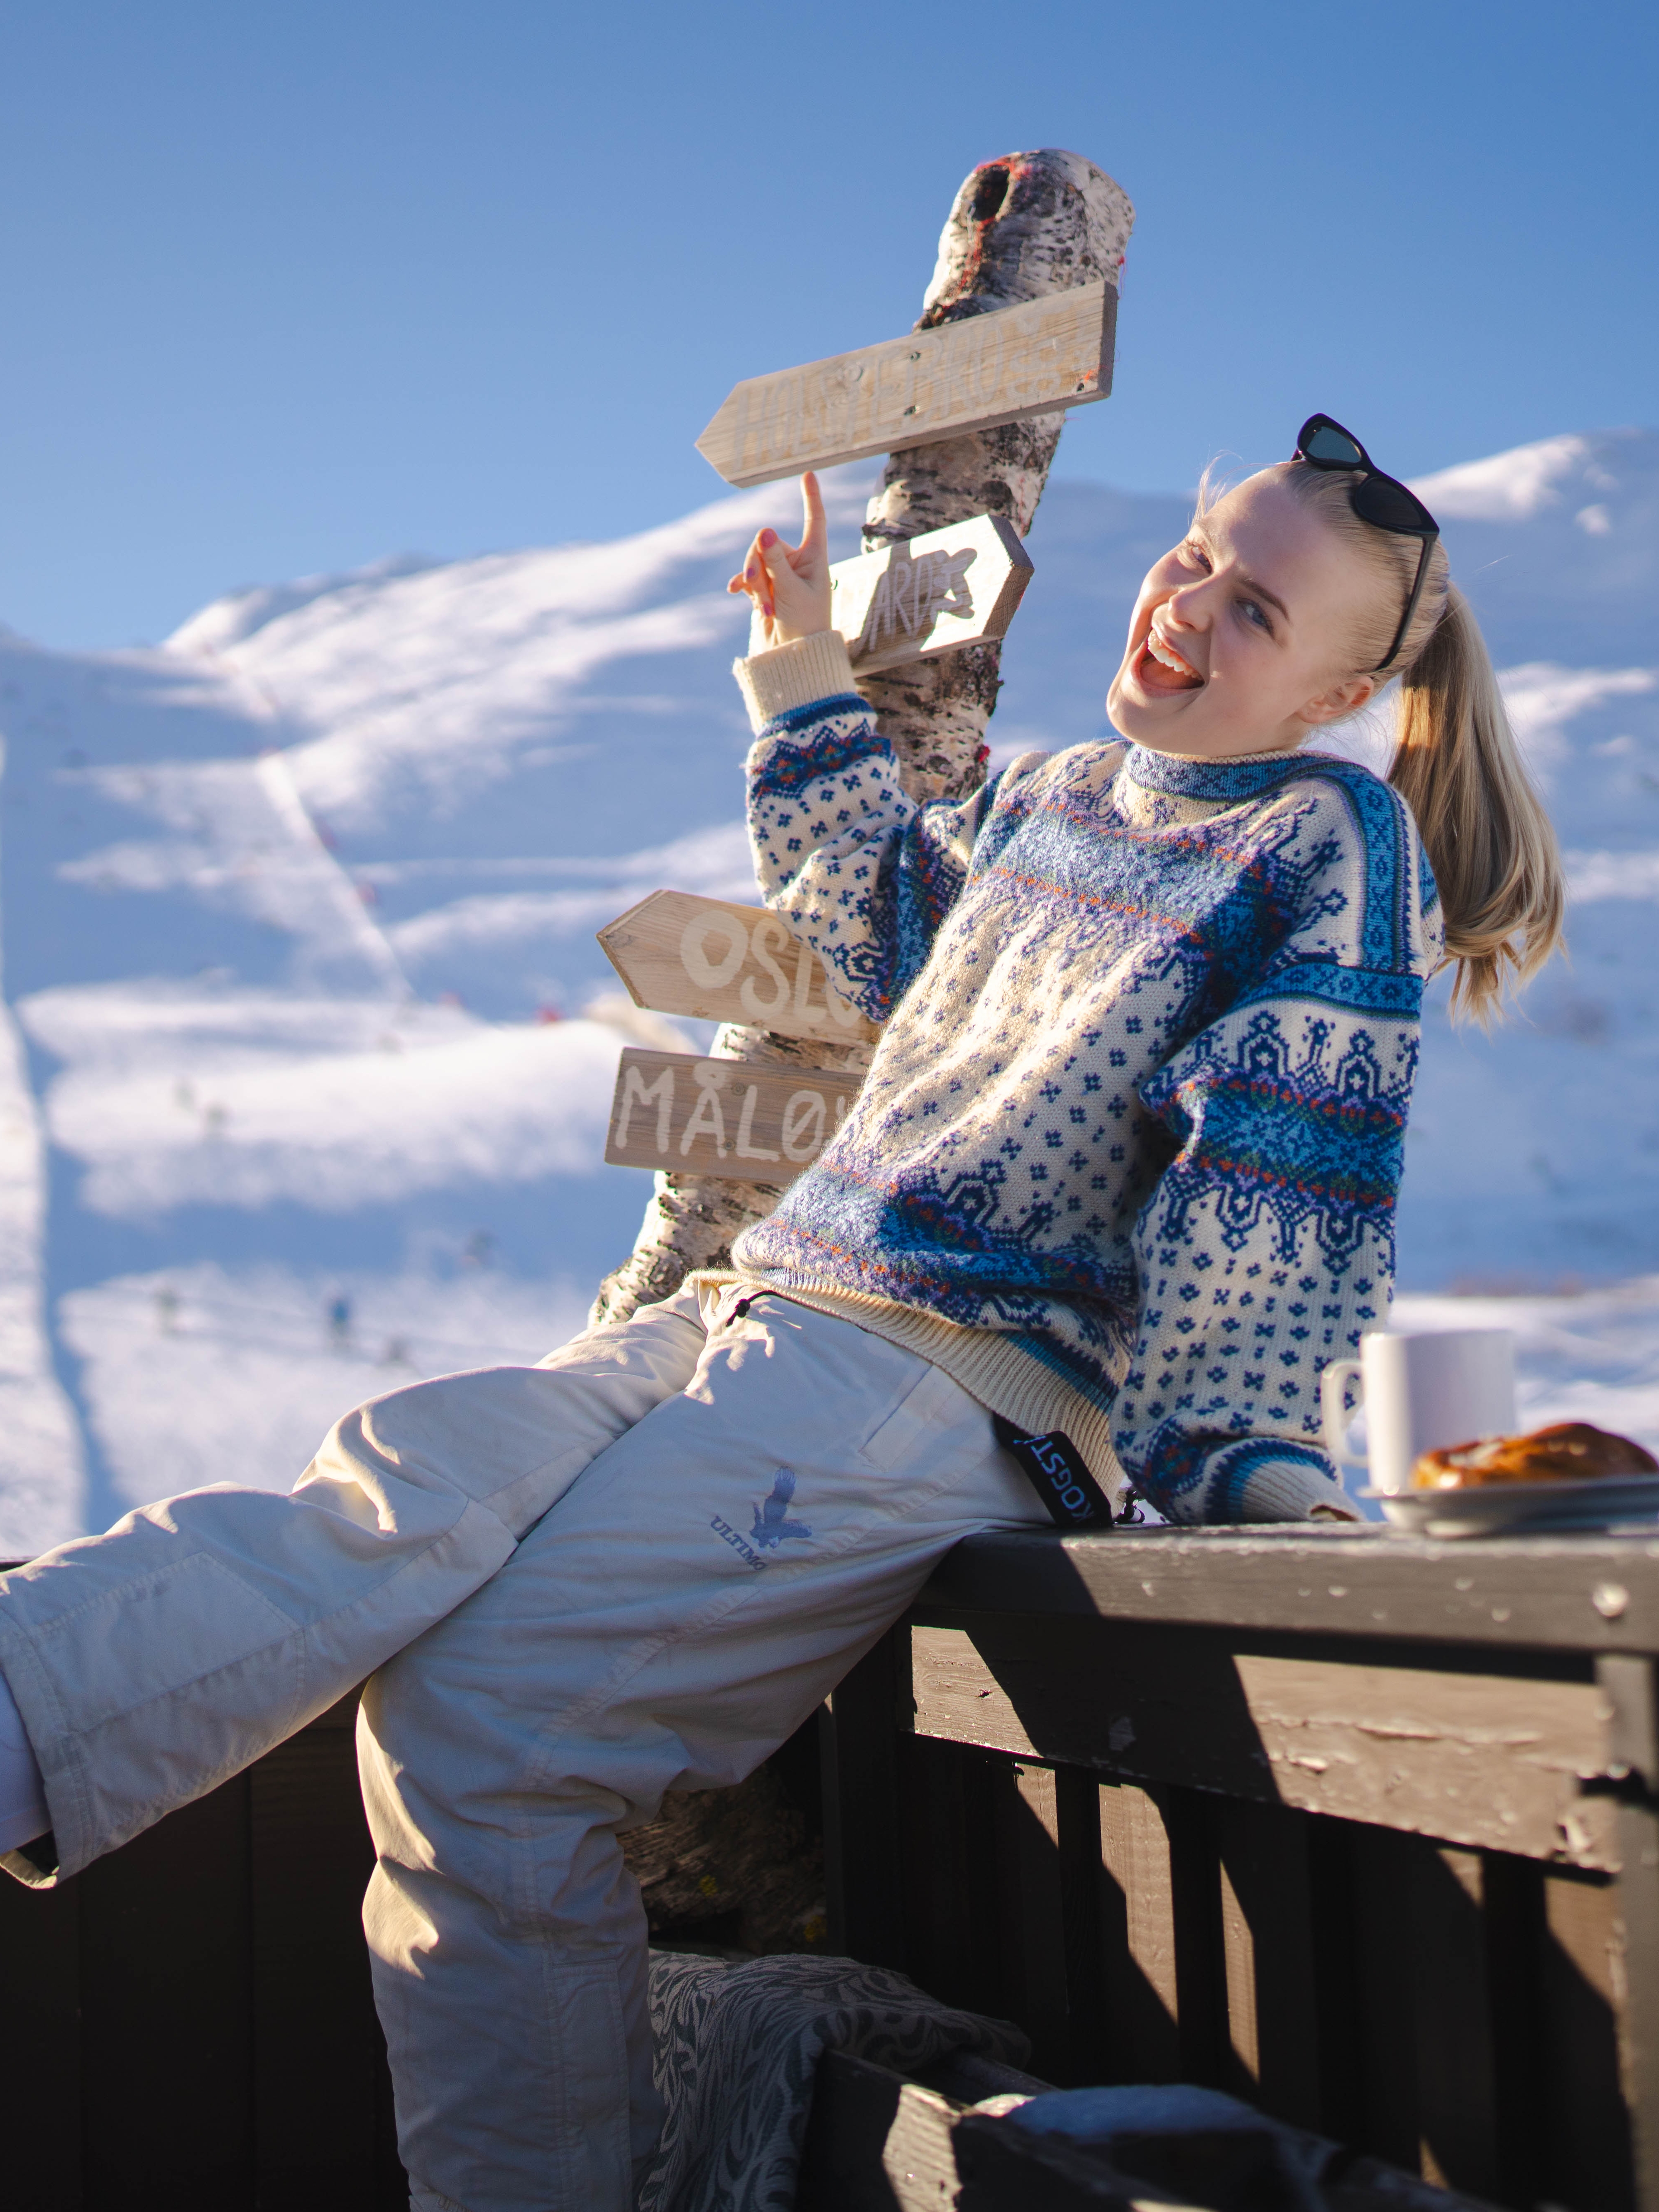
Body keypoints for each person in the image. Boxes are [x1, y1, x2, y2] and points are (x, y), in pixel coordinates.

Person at [0, 418, 1563, 2212]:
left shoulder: (1321, 840)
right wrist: (799, 671)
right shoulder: (1059, 794)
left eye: (1260, 605)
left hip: (926, 1379)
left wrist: (1242, 1458)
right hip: (770, 1311)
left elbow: (1283, 1171)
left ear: (1342, 691)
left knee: (489, 1751)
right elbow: (872, 917)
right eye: (1201, 550)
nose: (1192, 602)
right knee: (398, 1467)